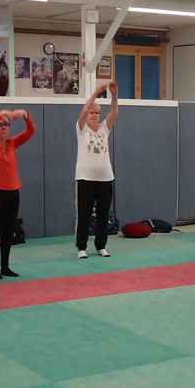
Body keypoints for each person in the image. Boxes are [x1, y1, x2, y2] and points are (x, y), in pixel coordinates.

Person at [0, 108, 35, 278]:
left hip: (13, 193)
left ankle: (5, 266)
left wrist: (25, 115)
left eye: (6, 125)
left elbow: (30, 132)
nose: (4, 127)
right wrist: (0, 114)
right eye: (0, 125)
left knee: (8, 231)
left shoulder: (12, 143)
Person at [75, 81, 119, 259]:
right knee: (84, 214)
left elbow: (114, 113)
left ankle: (101, 245)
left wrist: (114, 96)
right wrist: (95, 93)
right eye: (91, 112)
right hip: (86, 178)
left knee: (103, 215)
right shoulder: (81, 129)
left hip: (105, 178)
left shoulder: (104, 129)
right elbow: (83, 110)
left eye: (97, 113)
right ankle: (81, 247)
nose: (94, 115)